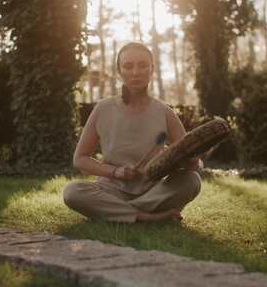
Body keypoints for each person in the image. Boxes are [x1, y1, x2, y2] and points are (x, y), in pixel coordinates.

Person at [63, 42, 202, 223]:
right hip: (111, 191)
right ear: (119, 71)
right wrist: (115, 172)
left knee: (192, 180)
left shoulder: (165, 112)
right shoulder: (103, 109)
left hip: (153, 192)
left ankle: (121, 214)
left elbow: (192, 162)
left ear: (152, 69)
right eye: (128, 66)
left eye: (143, 65)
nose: (136, 72)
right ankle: (146, 216)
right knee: (73, 192)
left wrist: (193, 161)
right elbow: (80, 159)